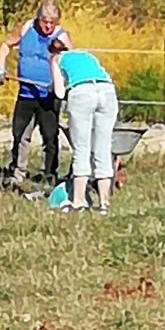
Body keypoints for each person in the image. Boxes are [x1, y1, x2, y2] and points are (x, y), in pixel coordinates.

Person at [0, 0, 72, 184]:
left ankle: (49, 175)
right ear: (38, 19)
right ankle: (17, 172)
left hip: (49, 96)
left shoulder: (62, 37)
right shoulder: (26, 28)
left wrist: (60, 83)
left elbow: (71, 62)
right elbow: (6, 45)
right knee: (20, 134)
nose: (48, 26)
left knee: (50, 137)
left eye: (53, 22)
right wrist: (0, 67)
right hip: (26, 94)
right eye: (45, 22)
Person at [49, 39, 119, 214]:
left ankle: (78, 202)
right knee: (103, 148)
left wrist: (53, 87)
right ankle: (104, 203)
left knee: (81, 149)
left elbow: (59, 93)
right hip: (107, 92)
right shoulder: (86, 54)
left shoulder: (56, 59)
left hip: (82, 94)